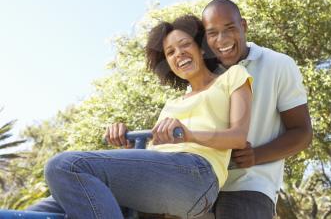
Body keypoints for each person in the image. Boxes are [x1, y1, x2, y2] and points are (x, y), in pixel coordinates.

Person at [27, 15, 253, 219]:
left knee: (64, 166)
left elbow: (238, 137)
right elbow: (153, 157)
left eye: (185, 45)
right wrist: (126, 145)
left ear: (202, 48)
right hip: (162, 178)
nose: (179, 54)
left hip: (196, 176)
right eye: (170, 52)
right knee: (37, 212)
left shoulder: (232, 77)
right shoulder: (173, 104)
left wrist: (189, 134)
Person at [200, 0, 313, 219]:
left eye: (230, 28)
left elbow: (303, 133)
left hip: (251, 186)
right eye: (212, 33)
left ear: (243, 26)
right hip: (203, 184)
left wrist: (256, 155)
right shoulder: (204, 73)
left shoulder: (278, 64)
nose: (221, 39)